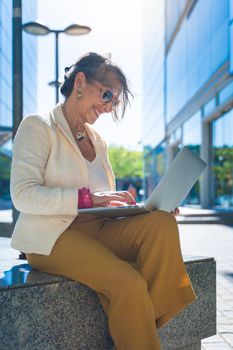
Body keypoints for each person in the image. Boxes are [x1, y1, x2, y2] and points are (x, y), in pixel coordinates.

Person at [10, 52, 196, 350]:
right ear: (80, 82)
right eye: (107, 95)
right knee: (129, 282)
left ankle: (143, 316)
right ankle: (141, 322)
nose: (109, 107)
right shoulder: (38, 126)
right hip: (54, 236)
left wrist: (145, 210)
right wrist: (85, 198)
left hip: (99, 230)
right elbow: (22, 194)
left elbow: (103, 203)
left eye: (114, 102)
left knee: (160, 222)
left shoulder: (98, 140)